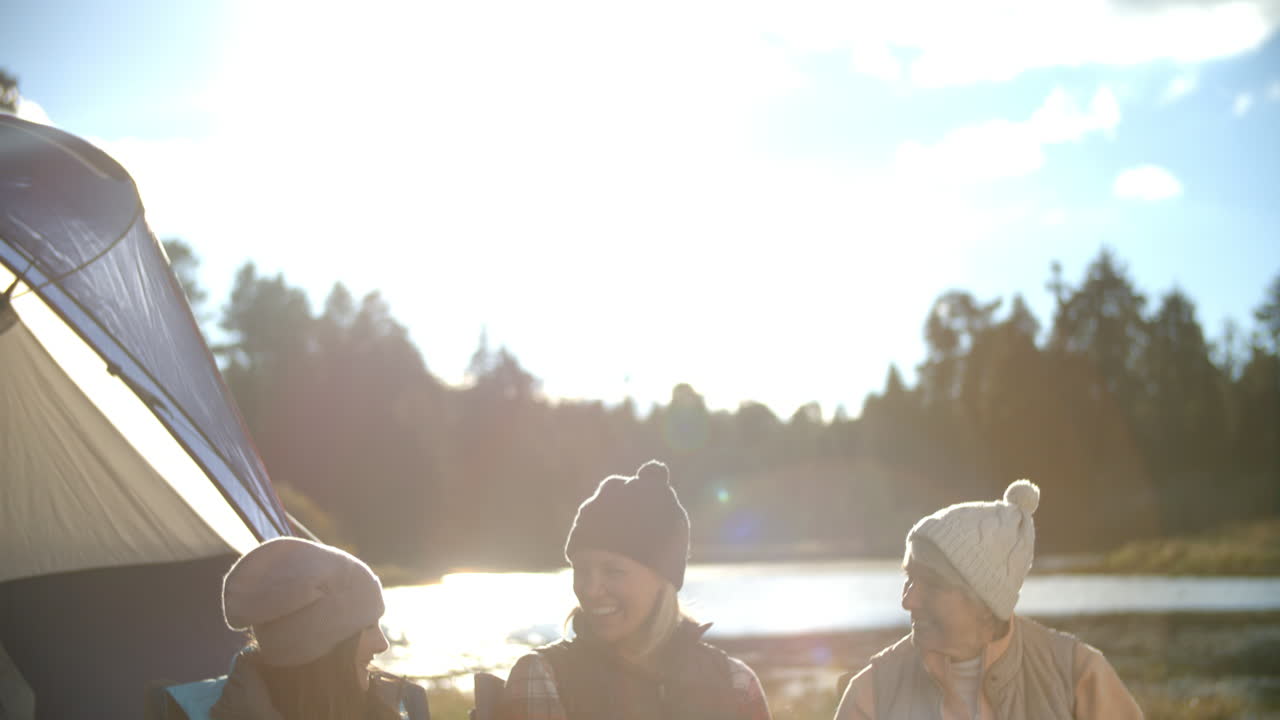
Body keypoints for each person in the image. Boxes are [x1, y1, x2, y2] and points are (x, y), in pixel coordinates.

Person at [834, 480, 1142, 720]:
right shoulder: (872, 693)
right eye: (909, 577)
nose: (908, 600)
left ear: (983, 602)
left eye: (930, 584)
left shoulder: (1078, 675)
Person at [495, 460, 772, 720]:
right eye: (582, 570)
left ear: (661, 580)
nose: (590, 590)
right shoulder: (543, 676)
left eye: (613, 571)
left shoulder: (735, 682)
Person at [209, 537, 423, 720]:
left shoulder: (405, 703)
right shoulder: (187, 711)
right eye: (368, 626)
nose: (382, 644)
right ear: (310, 648)